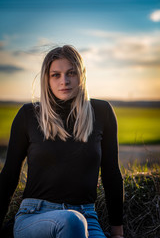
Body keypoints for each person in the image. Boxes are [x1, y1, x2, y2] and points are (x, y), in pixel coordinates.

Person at [0, 45, 124, 238]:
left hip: (87, 217)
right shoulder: (29, 115)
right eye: (55, 75)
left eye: (71, 73)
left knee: (74, 221)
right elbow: (9, 175)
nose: (64, 81)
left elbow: (112, 173)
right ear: (46, 79)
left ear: (81, 75)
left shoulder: (102, 112)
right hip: (35, 216)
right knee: (70, 220)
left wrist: (117, 232)